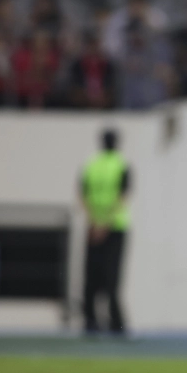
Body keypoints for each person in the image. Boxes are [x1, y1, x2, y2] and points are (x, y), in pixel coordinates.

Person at [80, 128, 132, 335]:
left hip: (93, 227)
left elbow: (82, 195)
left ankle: (91, 322)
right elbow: (122, 197)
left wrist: (95, 221)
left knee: (91, 276)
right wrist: (105, 223)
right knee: (112, 278)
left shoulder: (91, 164)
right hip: (114, 227)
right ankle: (115, 323)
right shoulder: (121, 164)